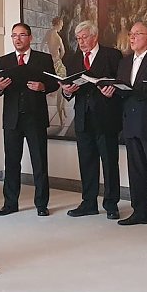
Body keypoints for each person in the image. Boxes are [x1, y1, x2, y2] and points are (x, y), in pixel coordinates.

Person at [102, 22, 147, 232]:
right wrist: (112, 92)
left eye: (137, 34)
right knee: (136, 170)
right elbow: (122, 90)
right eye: (130, 34)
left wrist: (132, 90)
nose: (132, 38)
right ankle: (140, 212)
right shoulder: (124, 62)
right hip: (130, 122)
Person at [0, 23, 56, 216]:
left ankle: (41, 204)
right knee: (11, 162)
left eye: (21, 35)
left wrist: (42, 86)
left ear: (30, 37)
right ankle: (10, 203)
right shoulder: (3, 61)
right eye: (14, 36)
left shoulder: (43, 59)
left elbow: (54, 83)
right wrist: (0, 87)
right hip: (12, 119)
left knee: (39, 162)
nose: (17, 39)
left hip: (35, 117)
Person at [60, 20, 123, 220]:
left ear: (94, 36)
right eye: (78, 38)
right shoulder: (71, 59)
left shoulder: (112, 55)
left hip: (106, 117)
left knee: (109, 163)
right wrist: (67, 92)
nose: (81, 42)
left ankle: (111, 204)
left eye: (84, 37)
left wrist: (112, 91)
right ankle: (89, 202)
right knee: (86, 162)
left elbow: (121, 83)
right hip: (83, 118)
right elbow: (69, 88)